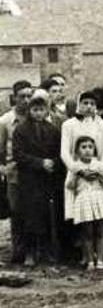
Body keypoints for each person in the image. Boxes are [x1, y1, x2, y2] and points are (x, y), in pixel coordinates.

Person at [12, 90, 63, 266]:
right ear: (29, 111)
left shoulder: (53, 131)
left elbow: (59, 153)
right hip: (29, 180)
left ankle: (47, 251)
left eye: (41, 110)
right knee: (30, 217)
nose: (38, 113)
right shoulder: (21, 130)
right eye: (35, 110)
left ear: (46, 111)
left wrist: (52, 164)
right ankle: (30, 252)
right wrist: (39, 163)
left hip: (47, 180)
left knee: (48, 216)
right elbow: (18, 154)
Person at [64, 135, 103, 270]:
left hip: (99, 199)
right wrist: (76, 175)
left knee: (101, 231)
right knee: (87, 232)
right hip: (84, 199)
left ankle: (101, 260)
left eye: (90, 147)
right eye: (83, 147)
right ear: (78, 151)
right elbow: (69, 186)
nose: (87, 150)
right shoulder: (75, 167)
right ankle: (90, 259)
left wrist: (101, 177)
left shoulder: (99, 165)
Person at [1, 81, 34, 263]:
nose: (26, 100)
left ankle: (31, 251)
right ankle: (18, 250)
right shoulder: (6, 121)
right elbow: (0, 149)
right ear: (15, 98)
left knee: (33, 211)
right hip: (14, 174)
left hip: (35, 173)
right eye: (22, 96)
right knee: (17, 212)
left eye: (29, 96)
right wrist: (4, 168)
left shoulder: (37, 117)